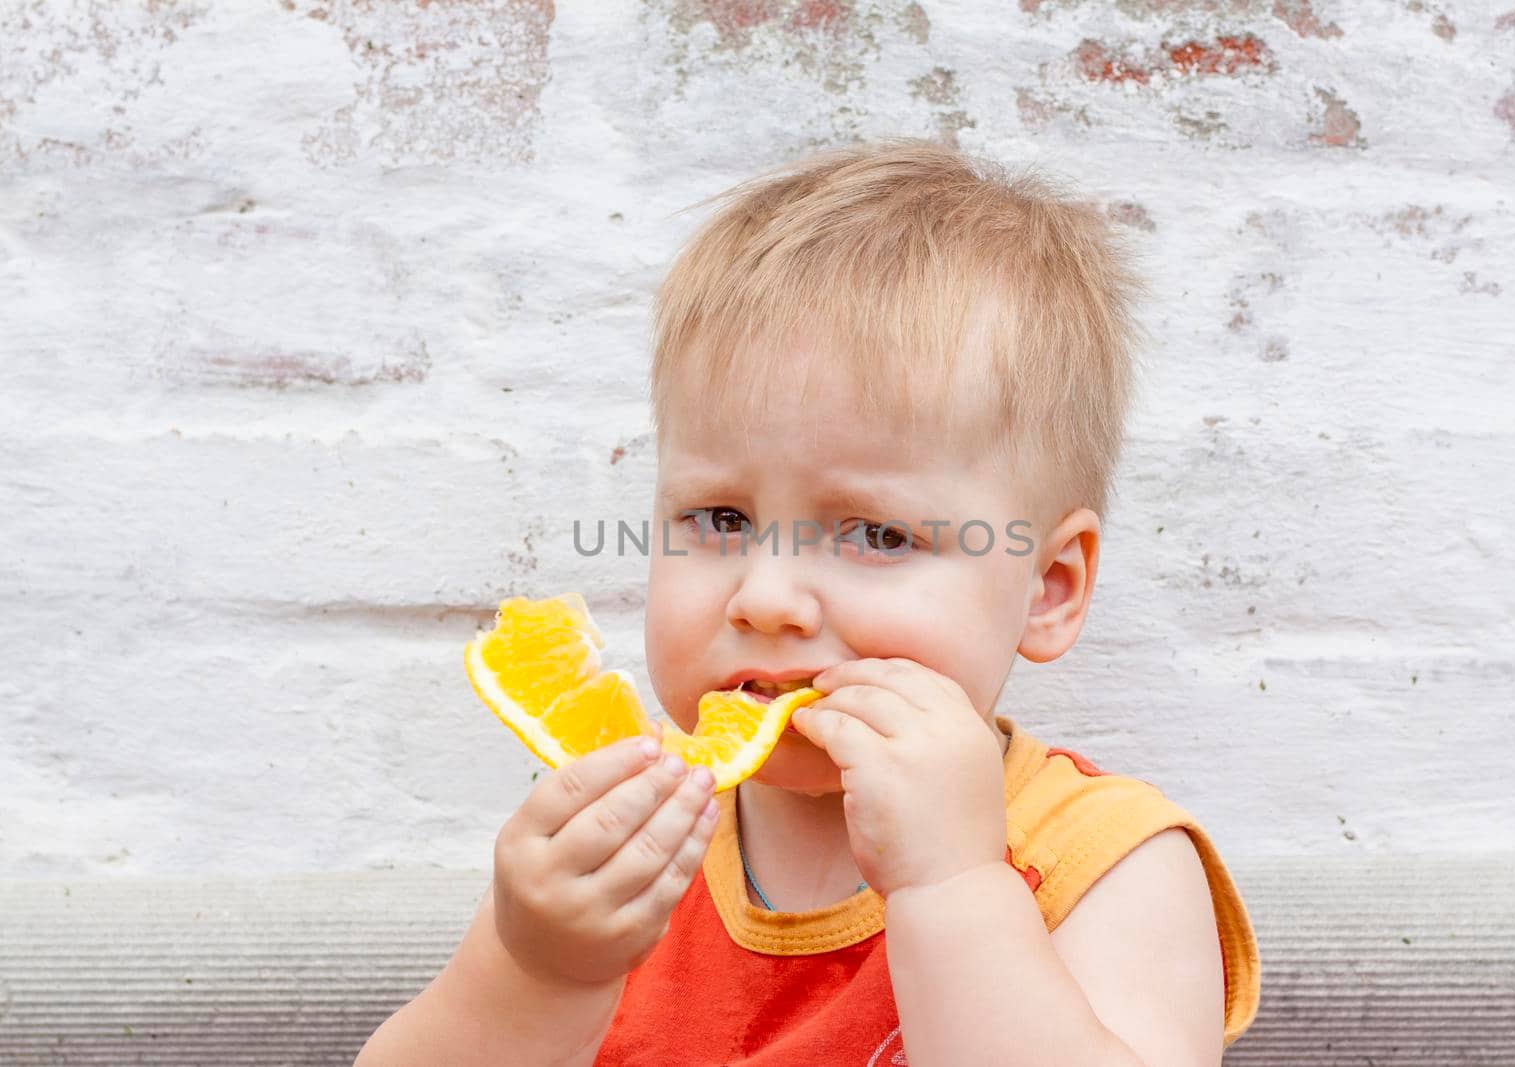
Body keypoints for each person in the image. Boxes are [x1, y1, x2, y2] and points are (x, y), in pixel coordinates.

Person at [356, 137, 1261, 1066]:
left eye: (875, 534)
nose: (767, 595)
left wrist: (950, 888)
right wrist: (536, 970)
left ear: (1050, 588)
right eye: (719, 516)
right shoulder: (636, 845)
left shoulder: (1104, 861)